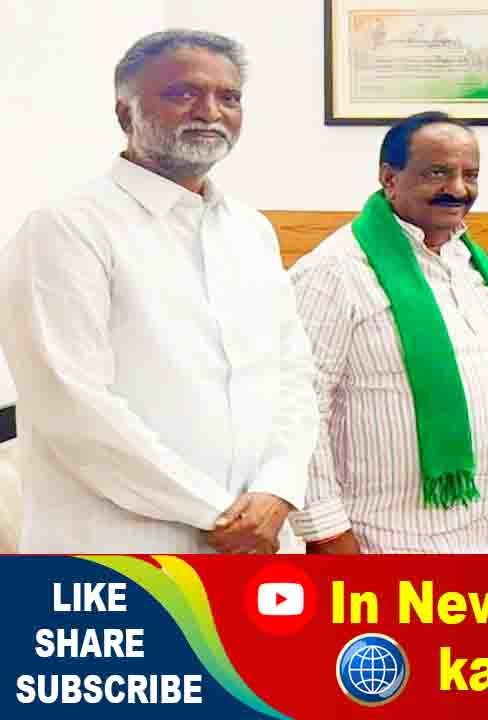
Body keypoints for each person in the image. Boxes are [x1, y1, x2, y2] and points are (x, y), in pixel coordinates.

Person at [0, 30, 318, 553]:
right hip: (119, 548)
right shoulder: (66, 228)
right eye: (182, 93)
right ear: (124, 113)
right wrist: (216, 513)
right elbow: (72, 405)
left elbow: (294, 376)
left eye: (229, 97)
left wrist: (278, 489)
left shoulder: (251, 230)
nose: (210, 112)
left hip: (255, 540)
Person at [288, 112, 488, 554]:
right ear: (389, 178)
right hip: (396, 539)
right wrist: (327, 532)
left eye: (470, 175)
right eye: (437, 173)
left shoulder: (476, 266)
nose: (458, 188)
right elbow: (299, 405)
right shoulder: (333, 273)